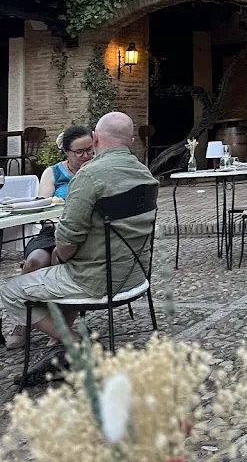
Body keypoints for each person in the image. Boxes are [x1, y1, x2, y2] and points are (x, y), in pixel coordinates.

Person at [0, 112, 156, 375]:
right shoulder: (145, 173)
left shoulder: (89, 176)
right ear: (130, 140)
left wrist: (61, 257)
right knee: (52, 274)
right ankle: (59, 344)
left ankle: (77, 343)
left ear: (95, 138)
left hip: (94, 280)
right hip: (135, 277)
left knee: (11, 291)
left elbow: (68, 240)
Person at [3, 126, 96, 348]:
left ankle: (60, 329)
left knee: (65, 262)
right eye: (80, 152)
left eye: (90, 150)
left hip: (80, 233)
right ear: (66, 151)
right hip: (50, 230)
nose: (86, 156)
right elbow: (42, 205)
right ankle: (23, 323)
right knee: (35, 262)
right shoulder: (52, 172)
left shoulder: (95, 171)